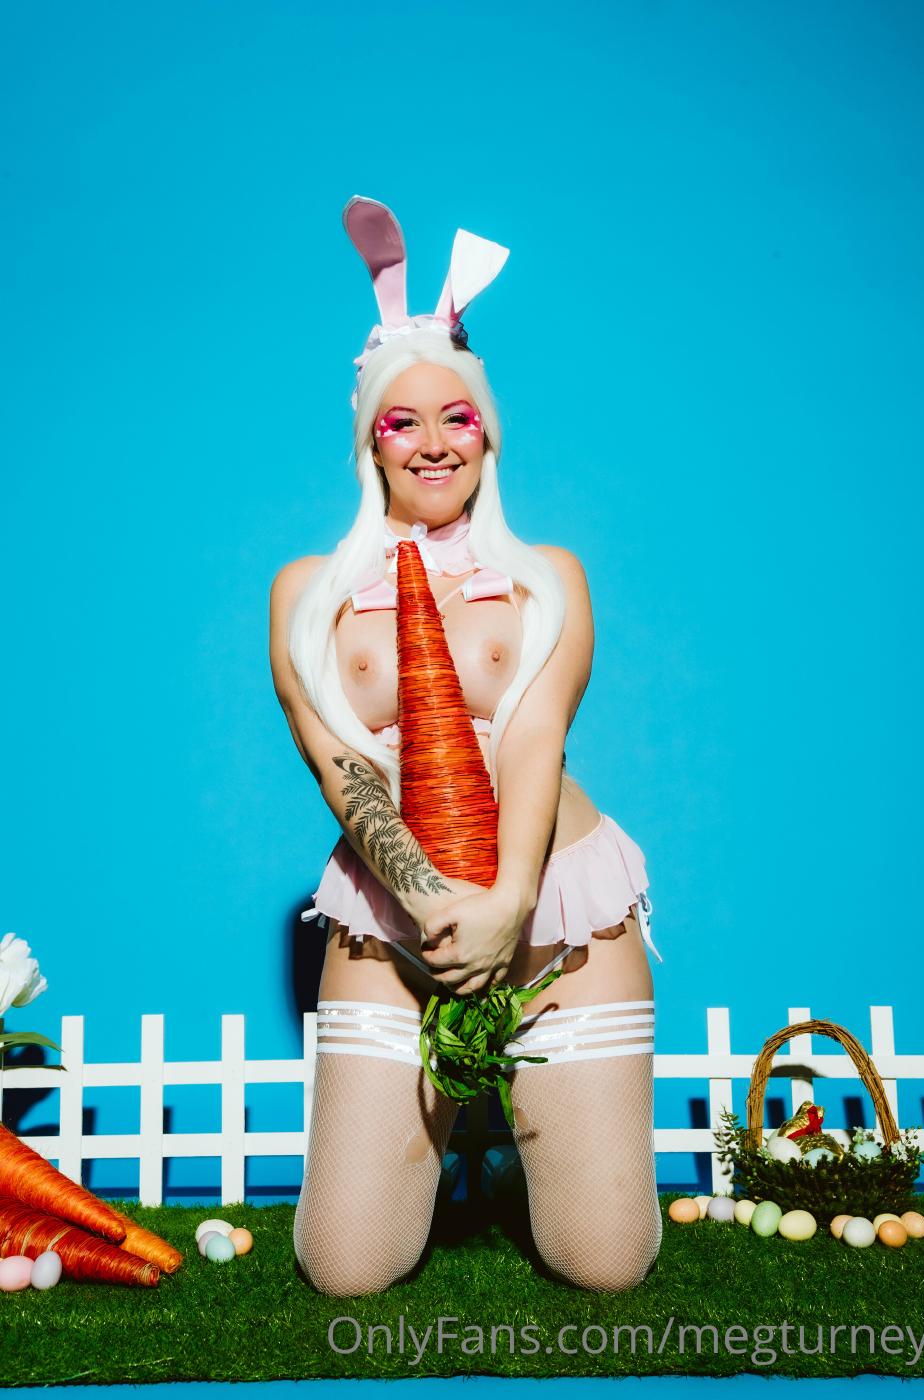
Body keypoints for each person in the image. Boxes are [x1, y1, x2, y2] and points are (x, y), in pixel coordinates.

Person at [269, 196, 663, 1297]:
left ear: (488, 431)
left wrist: (506, 905)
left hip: (556, 907)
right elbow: (341, 766)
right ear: (370, 439)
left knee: (604, 1265)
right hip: (394, 912)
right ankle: (459, 1136)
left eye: (458, 417)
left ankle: (512, 1134)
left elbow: (535, 739)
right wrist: (434, 905)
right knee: (347, 1270)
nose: (435, 443)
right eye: (404, 422)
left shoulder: (550, 578)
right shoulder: (306, 594)